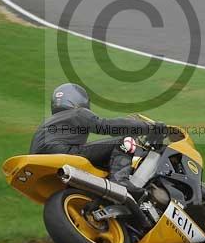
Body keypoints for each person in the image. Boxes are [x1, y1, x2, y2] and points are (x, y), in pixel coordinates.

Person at [30, 83, 165, 196]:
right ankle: (120, 181)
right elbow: (107, 126)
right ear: (79, 99)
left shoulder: (46, 122)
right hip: (65, 153)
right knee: (124, 141)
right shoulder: (78, 113)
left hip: (39, 161)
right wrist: (149, 127)